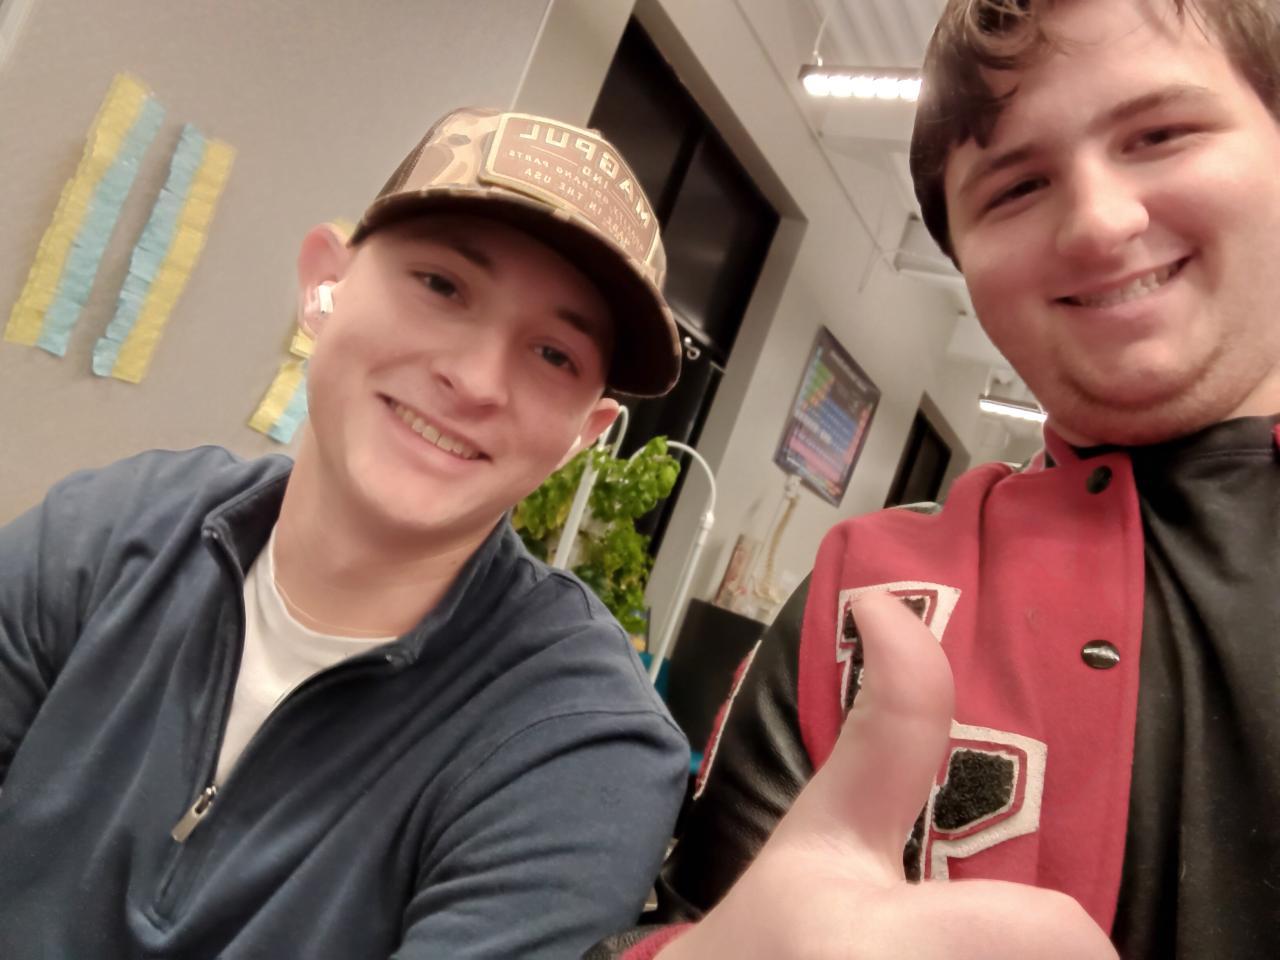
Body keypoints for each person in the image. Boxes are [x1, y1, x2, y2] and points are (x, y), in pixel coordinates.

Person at [590, 0, 1280, 957]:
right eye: (1017, 187)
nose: (1098, 222)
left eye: (1160, 135)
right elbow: (701, 920)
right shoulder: (869, 597)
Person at [0, 106, 692, 959]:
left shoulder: (580, 745)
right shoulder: (114, 530)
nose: (477, 380)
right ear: (323, 285)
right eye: (442, 286)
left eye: (555, 355)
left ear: (583, 436)